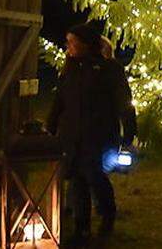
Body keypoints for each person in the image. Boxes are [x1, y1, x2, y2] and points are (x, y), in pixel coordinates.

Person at [47, 24, 137, 243]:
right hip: (73, 135)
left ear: (85, 45)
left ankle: (107, 214)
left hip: (99, 135)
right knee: (77, 180)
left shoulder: (108, 69)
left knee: (95, 176)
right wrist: (50, 127)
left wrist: (129, 133)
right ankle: (81, 227)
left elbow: (123, 102)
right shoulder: (71, 68)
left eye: (73, 43)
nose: (68, 47)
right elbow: (61, 100)